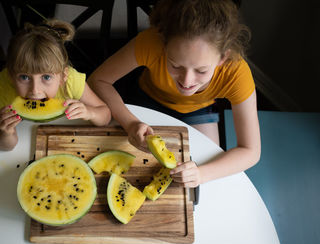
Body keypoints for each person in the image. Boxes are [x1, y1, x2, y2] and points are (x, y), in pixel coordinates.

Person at [87, 0, 261, 188]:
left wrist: (202, 174)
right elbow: (98, 81)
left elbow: (251, 151)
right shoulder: (151, 42)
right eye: (175, 65)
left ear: (222, 58)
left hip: (199, 110)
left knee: (208, 180)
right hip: (148, 97)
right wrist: (130, 123)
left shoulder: (237, 74)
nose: (186, 82)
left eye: (201, 70)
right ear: (164, 45)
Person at [0, 19, 111, 151]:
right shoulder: (0, 89)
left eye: (46, 77)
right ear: (10, 76)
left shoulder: (71, 81)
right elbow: (5, 146)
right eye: (24, 77)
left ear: (63, 76)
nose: (35, 90)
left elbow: (105, 115)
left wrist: (90, 113)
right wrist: (6, 133)